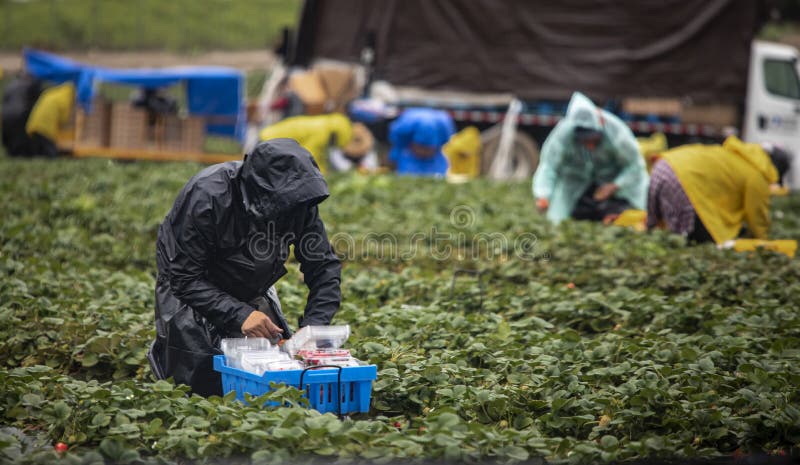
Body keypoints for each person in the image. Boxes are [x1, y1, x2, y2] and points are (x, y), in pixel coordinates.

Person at [148, 139, 342, 397]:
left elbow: (324, 268)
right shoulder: (208, 196)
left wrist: (313, 326)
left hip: (251, 280)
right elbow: (183, 277)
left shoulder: (300, 203)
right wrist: (240, 315)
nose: (288, 213)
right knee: (198, 375)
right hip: (191, 283)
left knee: (276, 364)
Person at [532, 92, 648, 223]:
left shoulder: (618, 133)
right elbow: (549, 166)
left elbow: (635, 166)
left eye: (594, 140)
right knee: (559, 220)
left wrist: (614, 186)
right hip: (576, 183)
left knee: (626, 218)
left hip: (616, 185)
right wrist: (543, 195)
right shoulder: (563, 134)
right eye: (585, 141)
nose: (590, 146)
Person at [647, 136, 788, 244]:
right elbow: (756, 216)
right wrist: (763, 241)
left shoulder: (739, 156)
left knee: (655, 227)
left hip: (663, 165)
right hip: (679, 176)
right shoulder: (757, 176)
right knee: (687, 238)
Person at [259, 113, 354, 175]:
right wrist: (322, 174)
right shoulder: (322, 132)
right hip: (270, 142)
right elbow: (310, 156)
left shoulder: (323, 123)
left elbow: (318, 154)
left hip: (271, 138)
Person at [388, 108, 455, 177]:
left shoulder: (443, 124)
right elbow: (397, 141)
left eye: (427, 149)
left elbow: (446, 140)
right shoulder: (406, 125)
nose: (424, 152)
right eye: (421, 147)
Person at [25, 81, 75, 157]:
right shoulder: (65, 98)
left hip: (34, 124)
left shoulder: (53, 93)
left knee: (40, 150)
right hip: (45, 128)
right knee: (51, 152)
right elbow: (63, 117)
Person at [1, 72, 43, 156]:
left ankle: (12, 154)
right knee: (21, 138)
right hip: (20, 114)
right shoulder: (32, 85)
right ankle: (22, 155)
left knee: (10, 137)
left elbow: (5, 101)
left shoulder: (10, 85)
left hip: (6, 115)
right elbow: (37, 103)